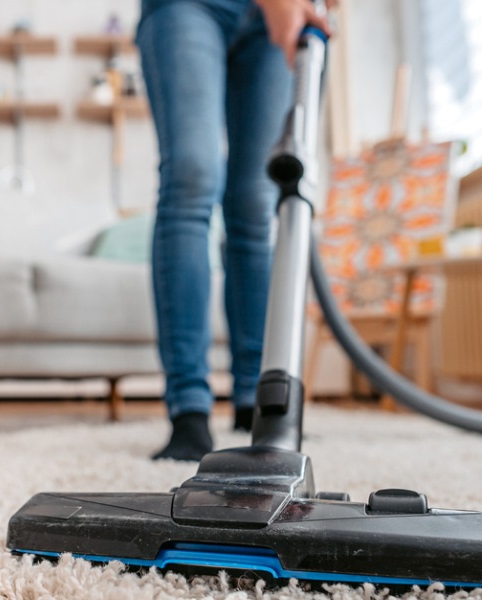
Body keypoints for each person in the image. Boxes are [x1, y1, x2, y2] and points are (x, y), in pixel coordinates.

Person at [138, 0, 332, 461]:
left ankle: (256, 401)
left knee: (256, 200)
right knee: (191, 179)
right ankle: (189, 409)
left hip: (273, 20)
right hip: (188, 7)